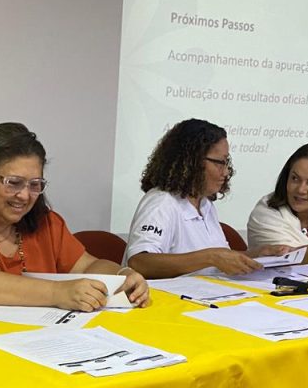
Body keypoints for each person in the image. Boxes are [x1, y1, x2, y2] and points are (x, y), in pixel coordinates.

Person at [0, 122, 149, 311]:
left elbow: (87, 266)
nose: (24, 195)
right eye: (13, 183)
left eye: (35, 185)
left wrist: (122, 275)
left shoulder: (45, 222)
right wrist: (56, 293)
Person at [123, 119, 288, 279]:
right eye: (219, 163)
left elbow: (217, 262)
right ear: (191, 162)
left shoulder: (205, 204)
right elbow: (139, 262)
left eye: (226, 163)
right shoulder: (161, 202)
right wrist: (211, 257)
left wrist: (256, 254)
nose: (226, 172)